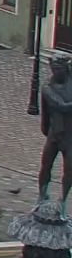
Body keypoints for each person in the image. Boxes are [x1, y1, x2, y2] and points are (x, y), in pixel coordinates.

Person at [40, 55, 72, 213]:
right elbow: (57, 107)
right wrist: (45, 129)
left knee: (69, 170)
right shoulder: (47, 88)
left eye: (58, 69)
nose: (55, 72)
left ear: (66, 69)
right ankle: (42, 196)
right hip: (54, 134)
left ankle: (63, 200)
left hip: (70, 136)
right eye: (53, 69)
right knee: (46, 165)